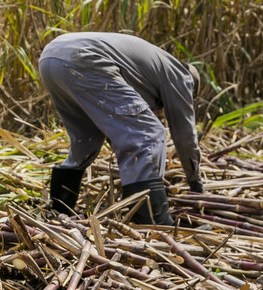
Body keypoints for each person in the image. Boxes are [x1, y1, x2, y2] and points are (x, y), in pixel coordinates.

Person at [36, 32, 204, 225]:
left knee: (86, 140)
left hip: (51, 57)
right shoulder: (181, 77)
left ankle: (59, 209)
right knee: (148, 135)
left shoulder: (152, 69)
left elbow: (118, 121)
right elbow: (185, 136)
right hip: (84, 58)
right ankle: (152, 220)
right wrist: (195, 182)